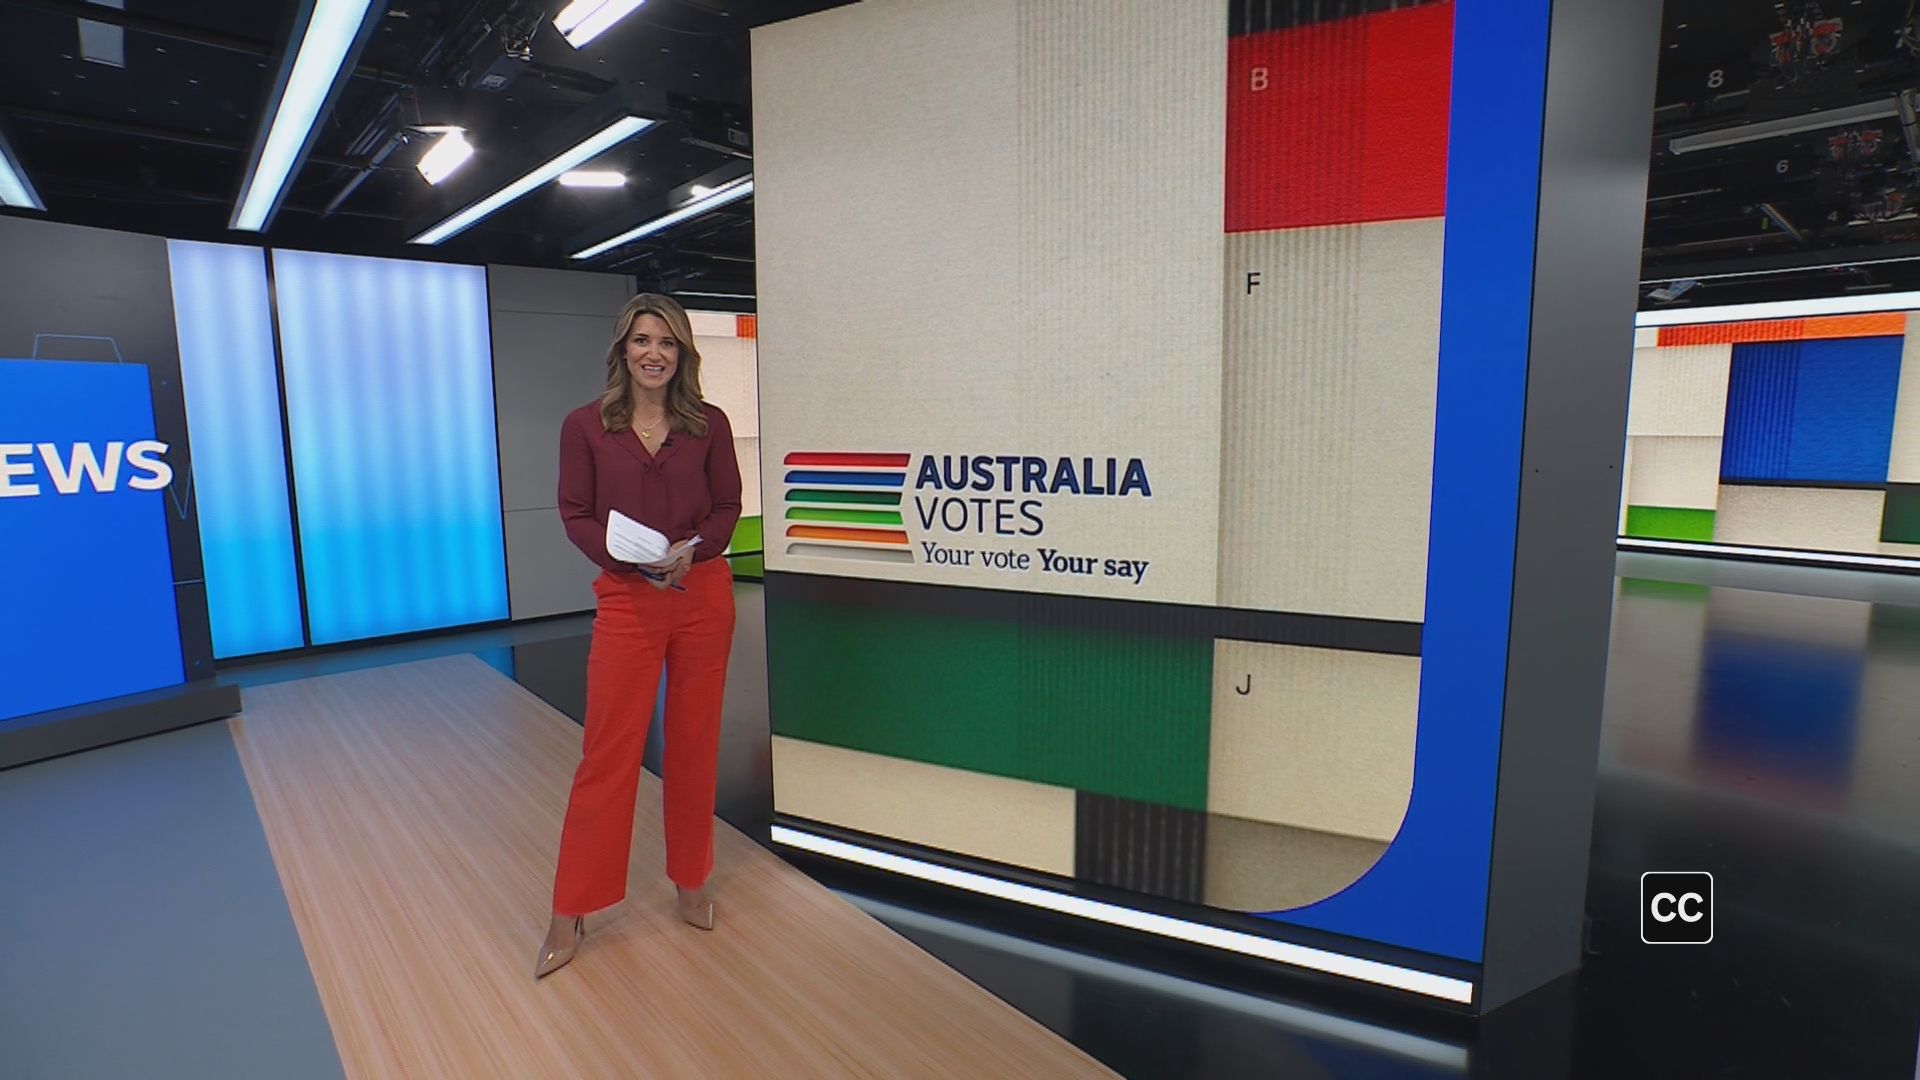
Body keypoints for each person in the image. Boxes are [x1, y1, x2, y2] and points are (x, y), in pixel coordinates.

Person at [536, 293, 742, 979]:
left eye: (667, 342)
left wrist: (695, 549)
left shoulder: (709, 423)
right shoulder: (585, 426)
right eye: (642, 340)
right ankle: (571, 907)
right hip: (628, 600)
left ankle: (691, 878)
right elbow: (575, 513)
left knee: (694, 744)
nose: (654, 353)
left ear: (682, 353)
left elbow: (727, 506)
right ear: (623, 348)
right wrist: (625, 559)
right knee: (607, 753)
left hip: (702, 596)